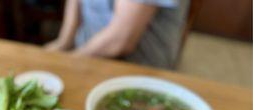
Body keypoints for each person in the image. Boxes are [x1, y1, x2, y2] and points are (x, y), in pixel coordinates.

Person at [45, 0, 190, 69]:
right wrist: (63, 43)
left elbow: (120, 40)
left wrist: (67, 61)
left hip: (139, 69)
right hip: (84, 53)